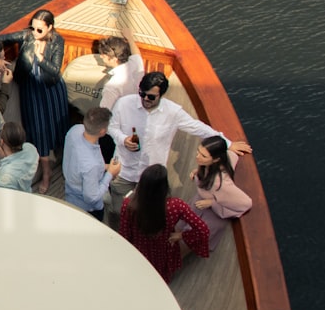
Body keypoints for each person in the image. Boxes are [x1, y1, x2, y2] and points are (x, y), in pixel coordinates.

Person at [107, 71, 252, 217]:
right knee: (118, 211)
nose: (145, 99)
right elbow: (111, 127)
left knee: (155, 212)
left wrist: (227, 143)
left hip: (154, 175)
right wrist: (123, 139)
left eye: (151, 97)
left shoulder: (173, 112)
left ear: (161, 95)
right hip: (123, 170)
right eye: (142, 94)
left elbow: (198, 127)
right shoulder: (123, 104)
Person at [0, 9, 69, 193]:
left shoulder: (57, 41)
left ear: (50, 27)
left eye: (39, 30)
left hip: (51, 90)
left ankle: (61, 156)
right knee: (38, 131)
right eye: (33, 28)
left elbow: (55, 71)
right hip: (31, 90)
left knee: (57, 127)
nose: (34, 33)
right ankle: (46, 174)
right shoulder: (27, 36)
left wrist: (41, 58)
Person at [120, 164, 210, 283]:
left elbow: (125, 234)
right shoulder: (176, 206)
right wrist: (182, 235)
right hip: (164, 250)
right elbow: (203, 229)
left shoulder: (128, 205)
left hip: (138, 249)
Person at [189, 136, 252, 251]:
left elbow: (246, 203)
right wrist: (198, 171)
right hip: (200, 201)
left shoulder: (219, 184)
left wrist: (213, 203)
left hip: (213, 213)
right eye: (198, 152)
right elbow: (231, 155)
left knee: (192, 238)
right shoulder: (218, 161)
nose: (197, 157)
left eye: (203, 156)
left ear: (216, 159)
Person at [62, 107, 121, 220]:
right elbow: (92, 198)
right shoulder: (91, 165)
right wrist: (110, 174)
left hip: (70, 195)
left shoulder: (75, 130)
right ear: (102, 131)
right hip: (88, 210)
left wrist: (104, 167)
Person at [0, 121, 38, 192]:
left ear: (2, 141)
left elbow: (0, 197)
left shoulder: (5, 178)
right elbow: (10, 157)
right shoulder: (30, 148)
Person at [97, 27, 144, 112]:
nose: (100, 56)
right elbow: (137, 55)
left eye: (103, 56)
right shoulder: (135, 65)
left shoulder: (111, 87)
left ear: (114, 59)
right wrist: (130, 37)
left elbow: (104, 113)